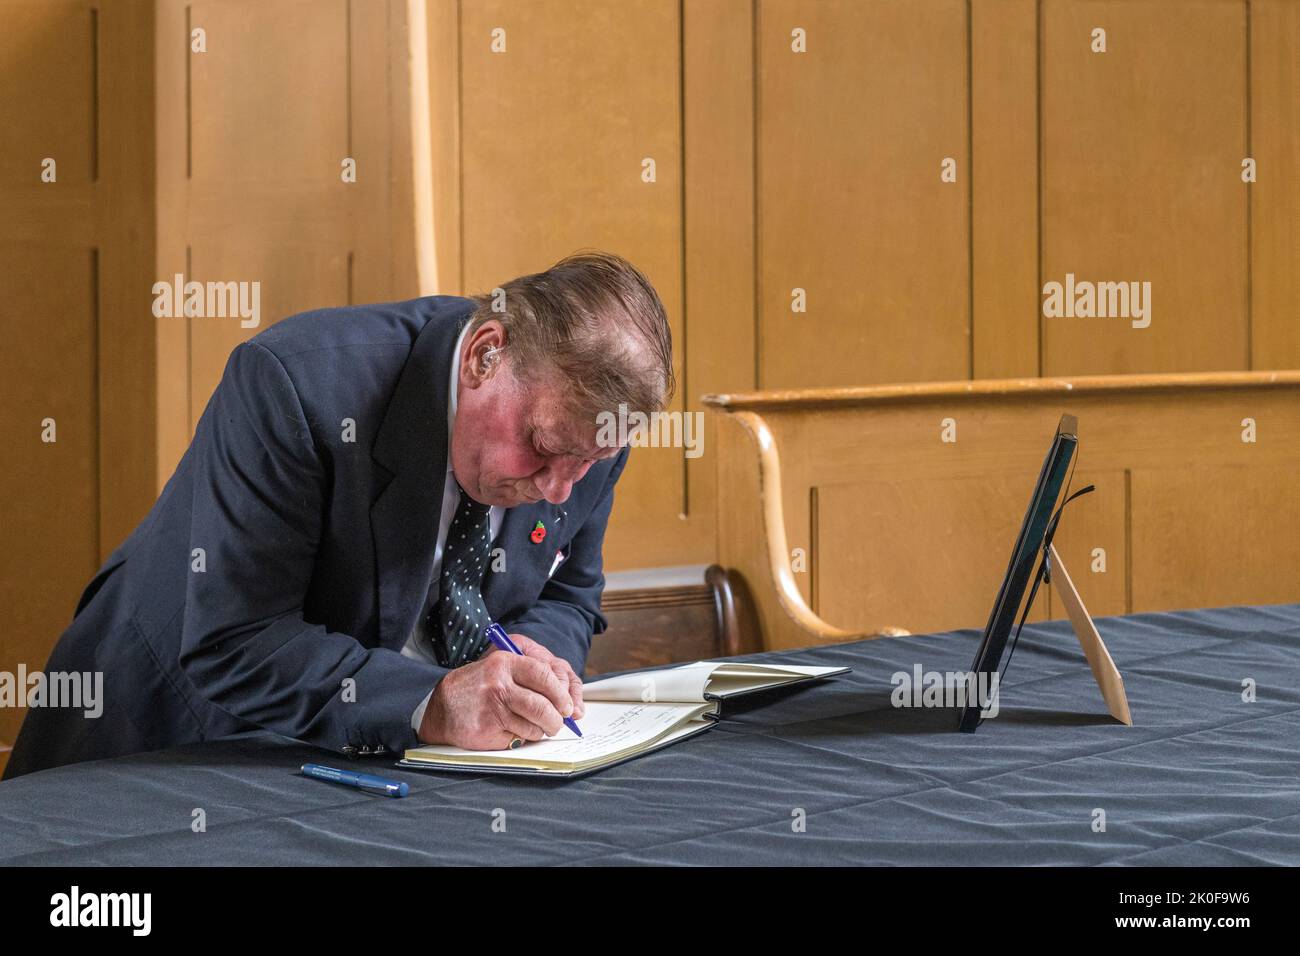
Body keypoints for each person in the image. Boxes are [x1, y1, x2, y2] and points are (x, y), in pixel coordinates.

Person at [4, 251, 673, 779]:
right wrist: (434, 703)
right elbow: (235, 642)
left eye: (586, 463)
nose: (560, 490)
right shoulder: (298, 386)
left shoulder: (588, 435)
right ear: (484, 355)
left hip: (384, 766)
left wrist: (537, 653)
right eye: (544, 449)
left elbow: (569, 590)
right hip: (168, 737)